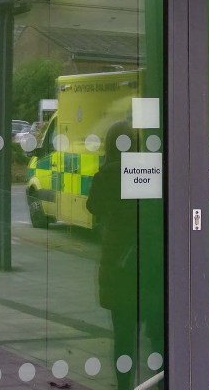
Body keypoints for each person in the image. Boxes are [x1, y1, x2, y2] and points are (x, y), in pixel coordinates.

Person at [87, 119, 139, 390]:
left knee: (123, 333)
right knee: (157, 330)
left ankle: (124, 384)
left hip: (118, 260)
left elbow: (93, 206)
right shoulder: (145, 170)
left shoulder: (106, 175)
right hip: (147, 259)